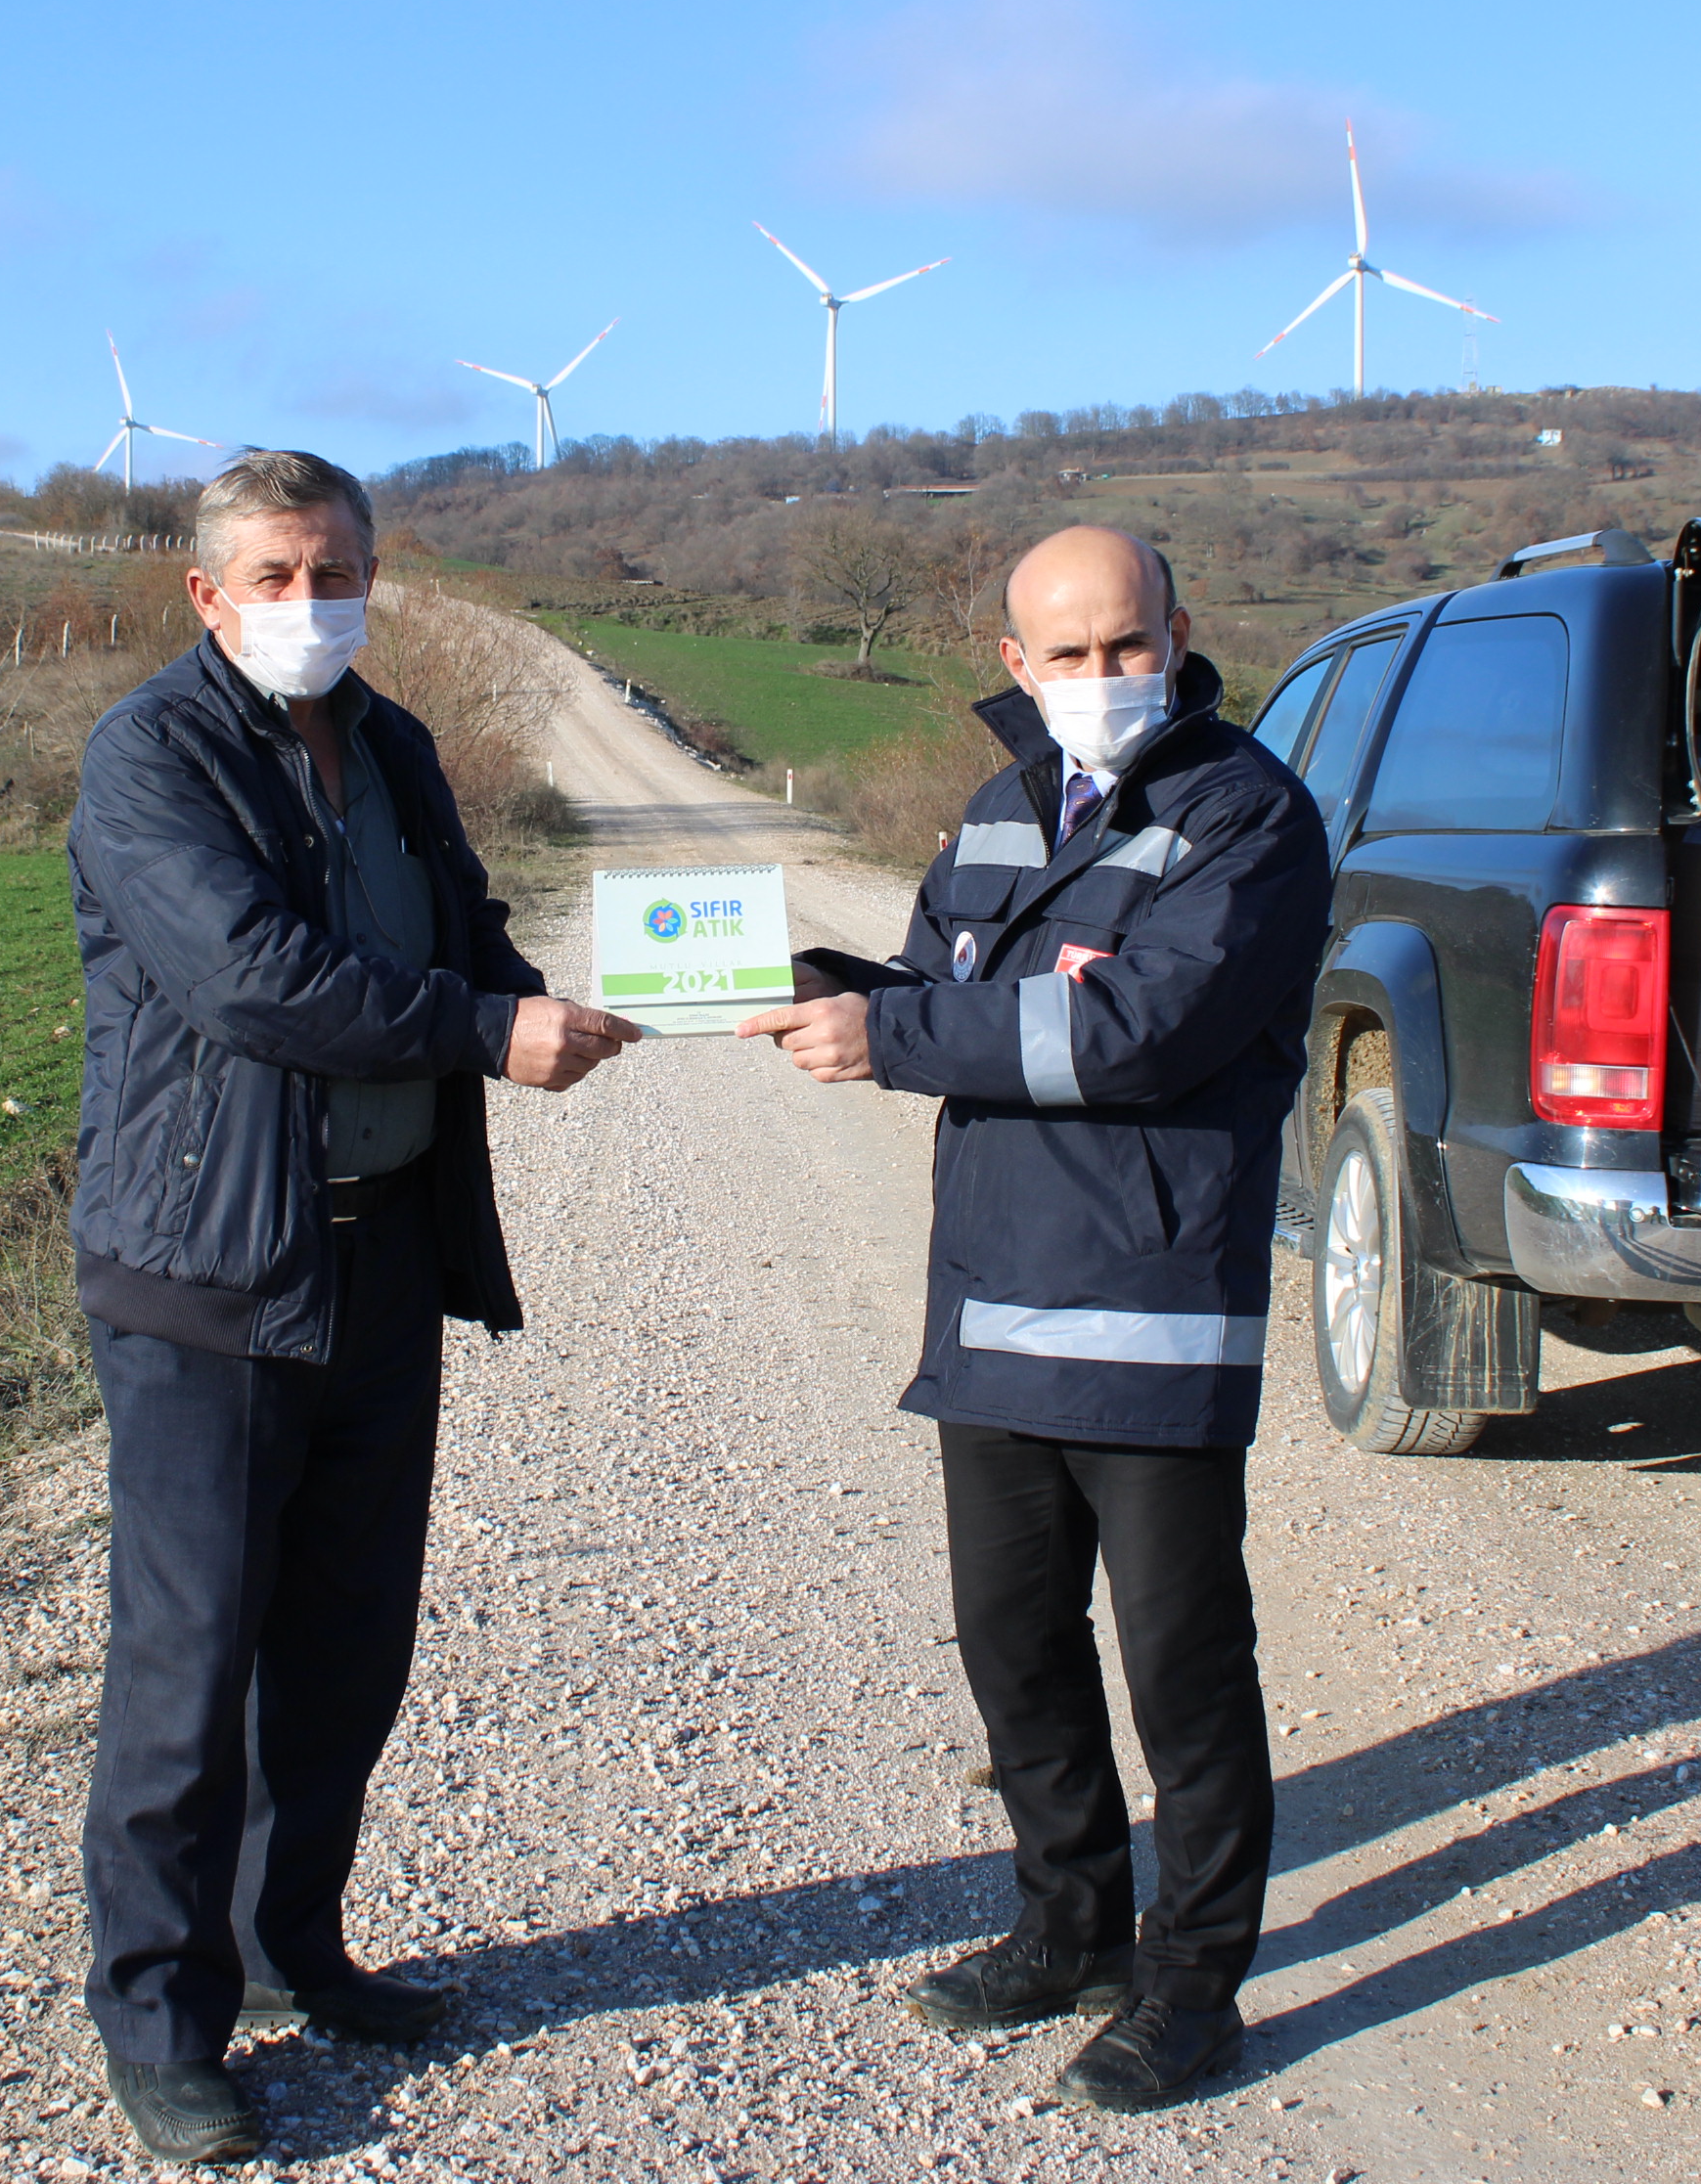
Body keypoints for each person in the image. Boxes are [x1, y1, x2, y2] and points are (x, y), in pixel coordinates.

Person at [68, 450, 643, 2164]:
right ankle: (160, 2021)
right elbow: (254, 976)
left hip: (383, 1252)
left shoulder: (390, 744)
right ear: (208, 591)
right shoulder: (149, 756)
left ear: (378, 572)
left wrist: (589, 1005)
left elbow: (466, 933)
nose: (311, 601)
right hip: (212, 1272)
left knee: (345, 1645)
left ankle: (285, 1947)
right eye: (276, 572)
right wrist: (482, 1035)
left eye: (338, 569)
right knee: (187, 1664)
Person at [739, 524, 1329, 2114]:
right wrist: (805, 977)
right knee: (1016, 1653)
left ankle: (1193, 1982)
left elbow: (1141, 1030)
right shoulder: (1001, 811)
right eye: (1063, 655)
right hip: (992, 1309)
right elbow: (940, 981)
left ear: (1181, 633)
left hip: (1147, 1313)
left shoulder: (1248, 817)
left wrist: (902, 1026)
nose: (1098, 680)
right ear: (1013, 665)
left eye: (1125, 646)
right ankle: (1066, 1922)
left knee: (1183, 1674)